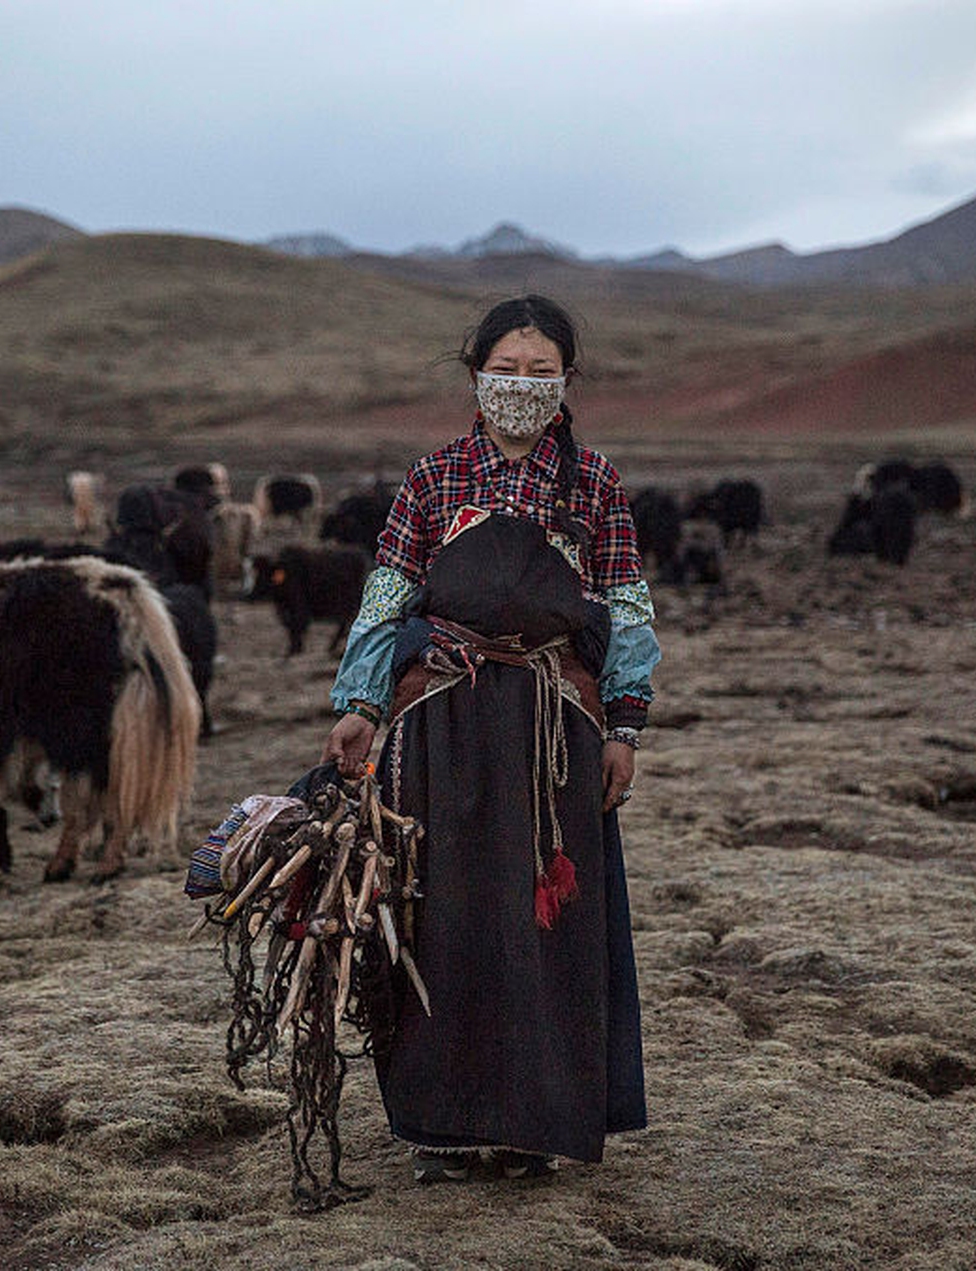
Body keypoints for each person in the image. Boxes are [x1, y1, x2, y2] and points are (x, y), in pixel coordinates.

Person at [321, 294, 658, 1183]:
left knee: (547, 923)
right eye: (505, 370)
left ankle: (531, 1124)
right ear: (476, 373)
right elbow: (388, 597)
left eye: (539, 373)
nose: (520, 386)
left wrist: (625, 724)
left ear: (567, 382)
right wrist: (360, 702)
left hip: (557, 727)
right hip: (444, 722)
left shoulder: (594, 484)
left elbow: (625, 609)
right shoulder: (434, 478)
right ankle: (443, 1123)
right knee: (444, 916)